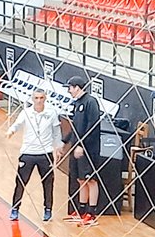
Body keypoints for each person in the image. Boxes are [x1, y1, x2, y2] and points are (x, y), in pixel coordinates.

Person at [6, 89, 67, 224]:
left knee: (48, 183)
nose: (39, 100)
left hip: (45, 153)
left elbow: (56, 132)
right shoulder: (26, 112)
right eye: (36, 98)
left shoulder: (51, 113)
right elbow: (17, 124)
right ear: (32, 99)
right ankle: (15, 209)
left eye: (41, 98)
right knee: (21, 182)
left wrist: (58, 147)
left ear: (45, 99)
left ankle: (48, 210)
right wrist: (11, 131)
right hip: (27, 152)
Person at [64, 76, 105, 226]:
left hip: (89, 149)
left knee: (90, 180)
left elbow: (92, 126)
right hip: (77, 147)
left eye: (70, 88)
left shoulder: (91, 102)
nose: (69, 91)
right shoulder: (77, 103)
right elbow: (75, 126)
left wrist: (82, 145)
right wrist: (65, 142)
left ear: (77, 87)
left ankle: (92, 213)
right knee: (81, 179)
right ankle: (81, 210)